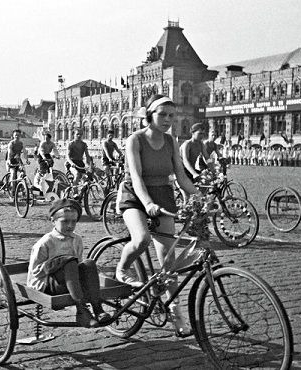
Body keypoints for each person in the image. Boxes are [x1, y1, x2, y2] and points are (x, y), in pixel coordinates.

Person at [115, 94, 199, 337]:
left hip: (163, 193)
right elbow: (137, 176)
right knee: (141, 239)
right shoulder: (136, 140)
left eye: (172, 116)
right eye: (162, 114)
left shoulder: (171, 142)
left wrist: (200, 199)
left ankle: (176, 314)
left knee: (169, 260)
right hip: (135, 195)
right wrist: (148, 203)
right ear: (149, 115)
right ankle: (123, 269)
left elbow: (182, 177)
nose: (167, 120)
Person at [27, 199, 111, 328]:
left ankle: (97, 308)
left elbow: (78, 266)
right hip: (47, 285)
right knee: (70, 262)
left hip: (69, 281)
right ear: (53, 221)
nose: (70, 226)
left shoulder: (76, 239)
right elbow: (35, 273)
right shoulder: (45, 243)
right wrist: (57, 264)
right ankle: (82, 310)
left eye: (73, 222)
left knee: (88, 263)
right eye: (65, 221)